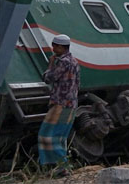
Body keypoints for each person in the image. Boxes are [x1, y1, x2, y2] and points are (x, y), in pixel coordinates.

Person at [38, 34, 80, 177]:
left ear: (62, 47)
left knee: (47, 136)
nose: (53, 48)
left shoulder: (62, 62)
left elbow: (49, 78)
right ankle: (60, 167)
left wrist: (50, 66)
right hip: (71, 104)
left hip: (60, 104)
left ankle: (60, 168)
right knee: (60, 137)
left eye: (55, 46)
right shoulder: (74, 61)